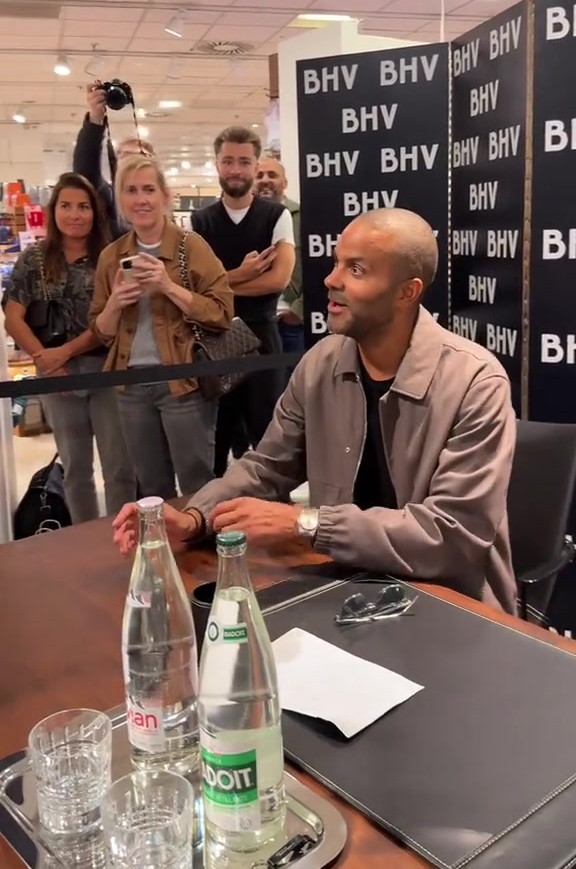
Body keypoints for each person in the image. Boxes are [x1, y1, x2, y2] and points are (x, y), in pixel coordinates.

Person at [113, 208, 517, 614]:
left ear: (406, 293)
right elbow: (266, 467)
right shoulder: (320, 363)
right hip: (346, 592)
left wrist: (305, 523)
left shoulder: (475, 382)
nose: (331, 279)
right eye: (337, 262)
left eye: (356, 269)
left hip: (451, 607)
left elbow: (450, 538)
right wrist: (196, 518)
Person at [90, 155, 233, 501]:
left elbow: (222, 312)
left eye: (149, 190)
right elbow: (101, 331)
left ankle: (204, 549)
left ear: (165, 196)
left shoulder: (190, 246)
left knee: (197, 480)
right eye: (131, 190)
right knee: (151, 487)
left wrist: (168, 286)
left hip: (183, 383)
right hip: (130, 387)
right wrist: (115, 303)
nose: (141, 199)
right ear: (121, 200)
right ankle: (164, 552)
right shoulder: (112, 257)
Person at [3, 173, 135, 523]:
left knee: (119, 468)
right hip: (56, 377)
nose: (75, 215)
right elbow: (13, 318)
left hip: (105, 370)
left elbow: (111, 321)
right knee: (76, 470)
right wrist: (44, 359)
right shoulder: (33, 259)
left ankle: (122, 538)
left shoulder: (108, 257)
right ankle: (84, 542)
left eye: (83, 206)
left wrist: (65, 352)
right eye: (66, 206)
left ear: (95, 212)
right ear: (53, 210)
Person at [192, 125, 295, 476]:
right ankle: (211, 521)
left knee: (268, 438)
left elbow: (278, 280)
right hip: (212, 340)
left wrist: (218, 285)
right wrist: (244, 273)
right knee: (215, 439)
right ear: (217, 165)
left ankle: (272, 520)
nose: (236, 169)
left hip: (263, 340)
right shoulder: (199, 221)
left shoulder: (275, 216)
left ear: (254, 166)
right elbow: (192, 286)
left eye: (244, 161)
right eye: (228, 161)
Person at [73, 80, 155, 239]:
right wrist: (95, 118)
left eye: (138, 156)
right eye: (124, 156)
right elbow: (86, 172)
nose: (131, 163)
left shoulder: (161, 201)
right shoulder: (109, 198)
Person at [253, 156, 304, 363]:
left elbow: (318, 265)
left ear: (285, 183)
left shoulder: (303, 216)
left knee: (296, 388)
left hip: (290, 323)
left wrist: (298, 311)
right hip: (253, 322)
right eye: (259, 175)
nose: (265, 180)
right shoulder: (243, 220)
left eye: (272, 175)